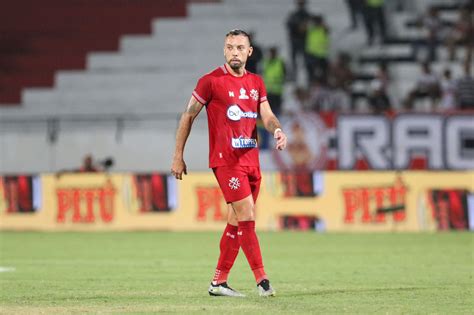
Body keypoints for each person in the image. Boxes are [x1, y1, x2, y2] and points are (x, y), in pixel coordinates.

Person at [170, 29, 288, 297]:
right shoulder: (210, 82)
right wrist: (178, 155)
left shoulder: (256, 83)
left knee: (236, 222)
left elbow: (267, 115)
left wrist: (277, 130)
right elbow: (188, 116)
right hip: (226, 162)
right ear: (224, 50)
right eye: (230, 47)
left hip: (251, 160)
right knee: (247, 215)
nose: (234, 52)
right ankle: (263, 281)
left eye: (240, 47)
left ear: (249, 52)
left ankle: (218, 282)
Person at [286, 0, 311, 80]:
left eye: (302, 3)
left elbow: (310, 27)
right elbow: (288, 25)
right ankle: (294, 76)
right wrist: (298, 27)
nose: (301, 5)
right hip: (295, 40)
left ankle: (307, 77)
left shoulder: (307, 15)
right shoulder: (294, 15)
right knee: (294, 60)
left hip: (304, 41)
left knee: (306, 60)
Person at [262, 46, 286, 116]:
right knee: (269, 111)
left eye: (273, 52)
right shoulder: (265, 62)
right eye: (271, 52)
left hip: (277, 91)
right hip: (268, 91)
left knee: (277, 111)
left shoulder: (280, 62)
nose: (272, 54)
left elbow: (285, 74)